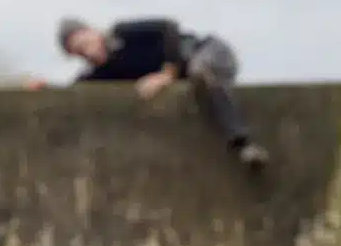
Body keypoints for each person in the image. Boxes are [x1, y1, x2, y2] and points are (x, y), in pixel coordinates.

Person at [36, 16, 269, 171]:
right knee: (193, 88)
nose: (89, 53)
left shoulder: (122, 33)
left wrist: (167, 73)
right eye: (81, 53)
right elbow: (77, 91)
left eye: (86, 43)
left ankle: (244, 144)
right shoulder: (105, 70)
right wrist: (45, 91)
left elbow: (169, 27)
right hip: (191, 79)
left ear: (93, 32)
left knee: (200, 72)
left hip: (208, 51)